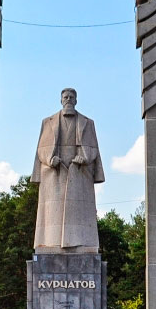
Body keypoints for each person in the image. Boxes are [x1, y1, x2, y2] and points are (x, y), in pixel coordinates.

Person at [31, 88, 105, 253]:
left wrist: (84, 157)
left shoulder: (88, 122)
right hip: (54, 173)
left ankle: (82, 245)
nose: (69, 99)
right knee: (52, 216)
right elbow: (41, 148)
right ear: (61, 100)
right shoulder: (47, 122)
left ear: (76, 100)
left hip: (79, 173)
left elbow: (93, 147)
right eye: (66, 97)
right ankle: (51, 245)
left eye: (72, 97)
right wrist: (50, 159)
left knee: (80, 215)